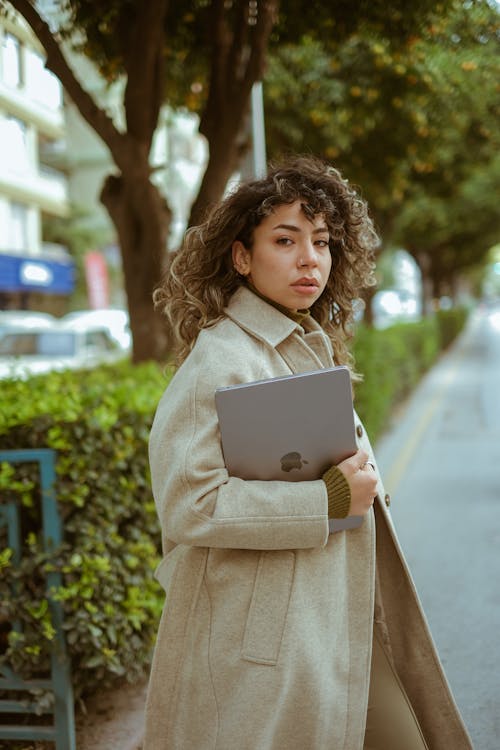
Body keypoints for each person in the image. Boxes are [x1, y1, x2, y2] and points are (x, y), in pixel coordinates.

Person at [144, 156, 472, 750]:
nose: (309, 259)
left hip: (331, 616)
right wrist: (329, 499)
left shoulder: (300, 340)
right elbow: (188, 504)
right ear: (241, 257)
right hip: (273, 639)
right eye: (285, 240)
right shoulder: (222, 359)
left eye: (321, 242)